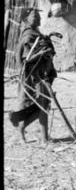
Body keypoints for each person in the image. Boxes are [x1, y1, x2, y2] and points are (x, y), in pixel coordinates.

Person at [9, 8, 58, 144]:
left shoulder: (36, 33)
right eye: (34, 16)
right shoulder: (28, 36)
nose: (38, 18)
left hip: (43, 73)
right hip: (35, 75)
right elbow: (27, 59)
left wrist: (47, 46)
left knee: (44, 105)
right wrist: (43, 52)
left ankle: (28, 131)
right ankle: (43, 138)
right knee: (42, 105)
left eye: (38, 16)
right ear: (26, 19)